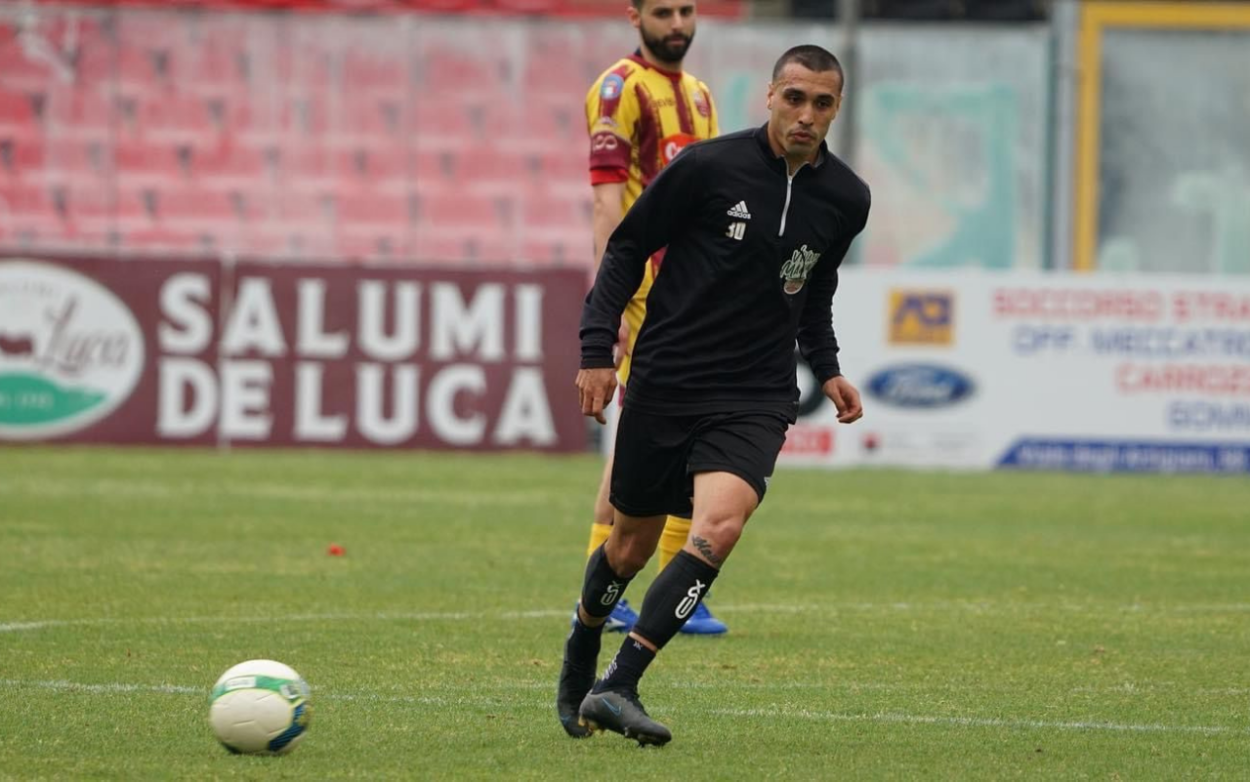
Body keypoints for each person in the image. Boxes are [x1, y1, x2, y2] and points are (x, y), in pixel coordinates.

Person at [557, 44, 871, 746]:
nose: (806, 115)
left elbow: (813, 287)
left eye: (822, 103)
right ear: (769, 95)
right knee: (628, 546)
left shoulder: (848, 198)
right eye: (795, 97)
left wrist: (827, 366)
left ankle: (621, 683)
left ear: (836, 109)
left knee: (718, 529)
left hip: (755, 392)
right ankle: (581, 648)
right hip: (668, 378)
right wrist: (595, 352)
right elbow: (627, 249)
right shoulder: (706, 168)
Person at [575, 0, 728, 640]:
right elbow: (608, 202)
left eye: (686, 10)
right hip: (648, 291)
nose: (677, 23)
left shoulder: (699, 94)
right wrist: (612, 299)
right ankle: (603, 590)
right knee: (641, 435)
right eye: (662, 11)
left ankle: (672, 587)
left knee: (689, 426)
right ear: (633, 15)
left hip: (696, 290)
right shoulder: (619, 88)